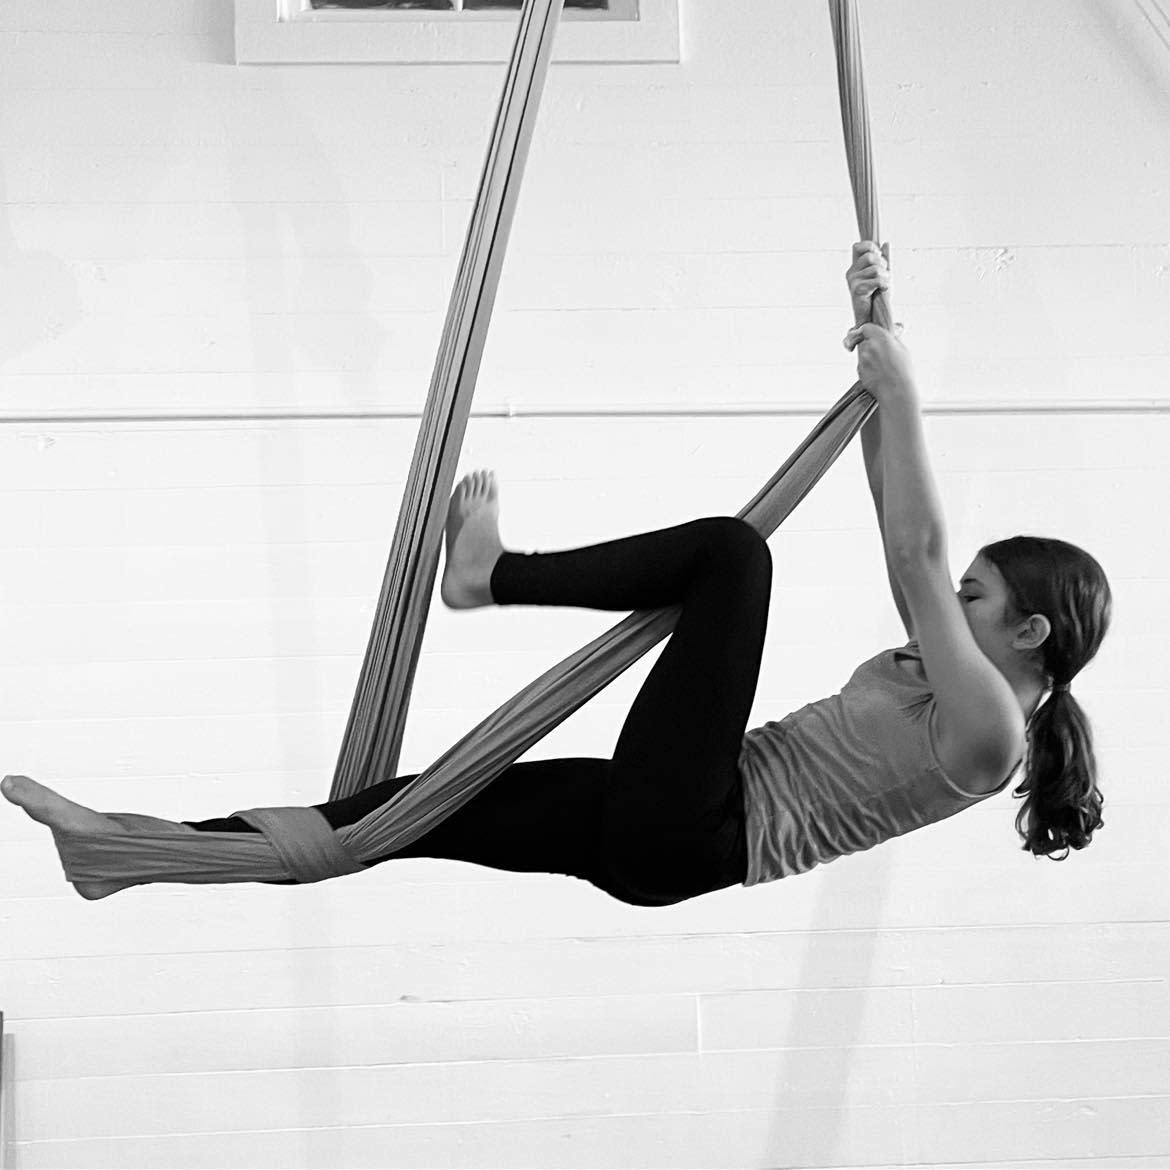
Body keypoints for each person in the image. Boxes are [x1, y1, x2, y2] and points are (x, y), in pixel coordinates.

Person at [2, 244, 1112, 905]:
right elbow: (895, 513)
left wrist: (909, 392)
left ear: (1033, 636)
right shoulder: (957, 676)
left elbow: (916, 552)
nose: (955, 598)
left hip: (701, 825)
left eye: (982, 595)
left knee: (733, 557)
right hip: (665, 829)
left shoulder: (990, 733)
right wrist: (876, 334)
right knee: (415, 811)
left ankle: (492, 577)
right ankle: (128, 853)